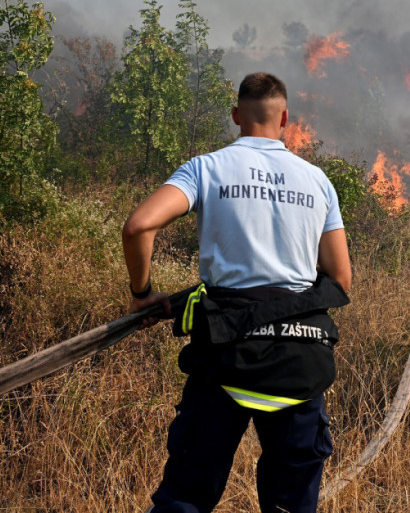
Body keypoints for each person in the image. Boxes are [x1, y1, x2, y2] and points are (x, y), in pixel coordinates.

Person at [122, 72, 352, 513]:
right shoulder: (317, 180)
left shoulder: (206, 168)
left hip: (225, 358)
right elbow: (340, 280)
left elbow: (138, 226)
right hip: (299, 363)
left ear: (235, 117)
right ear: (285, 118)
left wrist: (144, 292)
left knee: (185, 499)